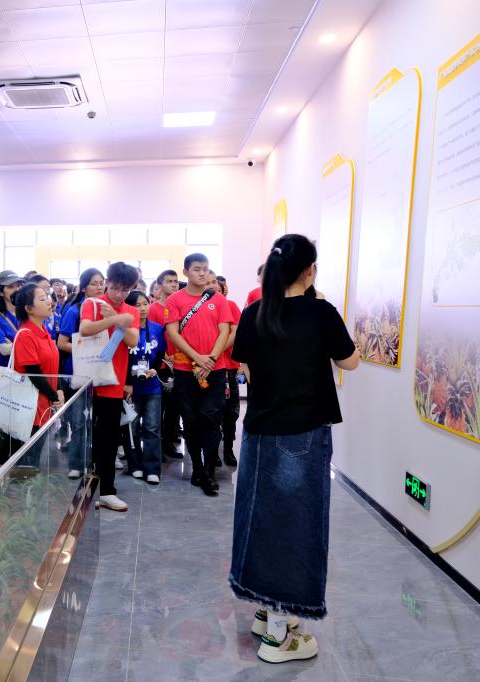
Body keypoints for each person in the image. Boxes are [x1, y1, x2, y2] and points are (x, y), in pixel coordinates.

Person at [229, 234, 360, 663]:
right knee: (293, 529)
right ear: (309, 270)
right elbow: (350, 360)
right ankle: (280, 637)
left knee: (259, 520)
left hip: (258, 433)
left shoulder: (253, 313)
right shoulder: (320, 312)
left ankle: (266, 611)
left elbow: (245, 363)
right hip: (302, 436)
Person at [164, 253, 231, 497]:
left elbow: (225, 331)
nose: (202, 273)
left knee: (211, 418)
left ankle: (210, 470)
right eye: (197, 269)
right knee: (190, 420)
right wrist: (197, 357)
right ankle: (197, 467)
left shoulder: (217, 299)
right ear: (186, 272)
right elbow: (173, 333)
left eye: (205, 269)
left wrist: (210, 360)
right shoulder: (175, 300)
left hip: (215, 370)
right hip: (186, 371)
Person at [79, 262, 140, 512]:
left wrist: (117, 319)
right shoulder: (93, 304)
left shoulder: (131, 310)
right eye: (115, 288)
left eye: (125, 290)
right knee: (88, 438)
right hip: (89, 381)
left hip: (114, 384)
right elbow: (85, 329)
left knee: (110, 440)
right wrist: (116, 319)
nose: (119, 294)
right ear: (107, 283)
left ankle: (107, 491)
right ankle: (88, 487)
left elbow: (133, 340)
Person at [56, 268, 105, 479]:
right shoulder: (74, 311)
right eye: (94, 283)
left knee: (100, 421)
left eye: (102, 283)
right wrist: (87, 352)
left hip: (102, 373)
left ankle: (98, 461)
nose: (99, 287)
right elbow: (62, 343)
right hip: (77, 372)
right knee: (78, 421)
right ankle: (76, 463)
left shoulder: (107, 310)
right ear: (84, 287)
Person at [11, 283, 64, 445]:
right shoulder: (25, 335)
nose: (49, 302)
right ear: (29, 308)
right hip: (31, 408)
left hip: (45, 403)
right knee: (29, 454)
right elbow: (34, 372)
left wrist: (59, 389)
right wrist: (54, 395)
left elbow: (53, 367)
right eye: (42, 299)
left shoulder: (44, 331)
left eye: (47, 297)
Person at [125, 290, 165, 484]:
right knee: (131, 428)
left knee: (152, 427)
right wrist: (127, 383)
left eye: (145, 303)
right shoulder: (125, 330)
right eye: (137, 305)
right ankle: (135, 465)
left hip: (152, 386)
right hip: (130, 388)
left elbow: (160, 353)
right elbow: (120, 358)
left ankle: (152, 468)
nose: (142, 308)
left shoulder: (157, 329)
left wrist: (154, 370)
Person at [149, 269, 184, 460]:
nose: (174, 284)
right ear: (160, 285)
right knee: (159, 408)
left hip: (180, 364)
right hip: (161, 365)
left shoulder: (180, 307)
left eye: (176, 281)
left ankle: (169, 441)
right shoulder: (154, 309)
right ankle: (158, 446)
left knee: (174, 408)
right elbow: (153, 336)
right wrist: (165, 355)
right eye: (169, 281)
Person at [216, 275, 241, 467]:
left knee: (231, 413)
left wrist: (217, 349)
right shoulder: (201, 308)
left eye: (218, 288)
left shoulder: (231, 306)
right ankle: (212, 451)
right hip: (209, 367)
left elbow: (236, 332)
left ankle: (228, 449)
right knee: (212, 413)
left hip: (230, 367)